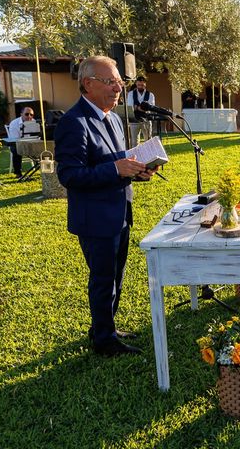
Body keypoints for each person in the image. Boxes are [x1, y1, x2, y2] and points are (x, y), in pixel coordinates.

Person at [55, 56, 158, 356]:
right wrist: (117, 169)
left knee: (117, 275)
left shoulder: (112, 118)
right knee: (103, 279)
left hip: (120, 210)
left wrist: (139, 170)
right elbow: (69, 175)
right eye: (110, 82)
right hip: (95, 217)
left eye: (119, 83)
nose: (118, 88)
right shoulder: (74, 122)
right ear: (88, 84)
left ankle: (105, 325)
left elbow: (116, 159)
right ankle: (104, 340)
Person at [126, 76, 155, 147]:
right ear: (136, 84)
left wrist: (137, 107)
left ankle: (149, 156)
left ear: (145, 84)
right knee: (134, 142)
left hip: (146, 120)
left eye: (142, 85)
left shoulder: (150, 95)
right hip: (134, 120)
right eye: (138, 85)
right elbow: (131, 107)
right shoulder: (131, 94)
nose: (140, 87)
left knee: (148, 140)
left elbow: (151, 108)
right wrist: (142, 108)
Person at [7, 107, 35, 177]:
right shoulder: (14, 123)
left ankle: (44, 169)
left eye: (31, 115)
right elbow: (15, 139)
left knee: (44, 147)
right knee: (16, 149)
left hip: (31, 143)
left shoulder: (34, 122)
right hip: (17, 143)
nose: (29, 116)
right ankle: (18, 173)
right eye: (27, 114)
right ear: (21, 114)